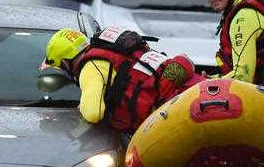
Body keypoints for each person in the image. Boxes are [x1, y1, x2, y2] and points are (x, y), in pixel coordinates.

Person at [40, 26, 199, 134]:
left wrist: (80, 107)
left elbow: (93, 113)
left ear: (65, 63)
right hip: (193, 89)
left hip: (175, 111)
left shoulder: (90, 67)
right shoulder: (113, 53)